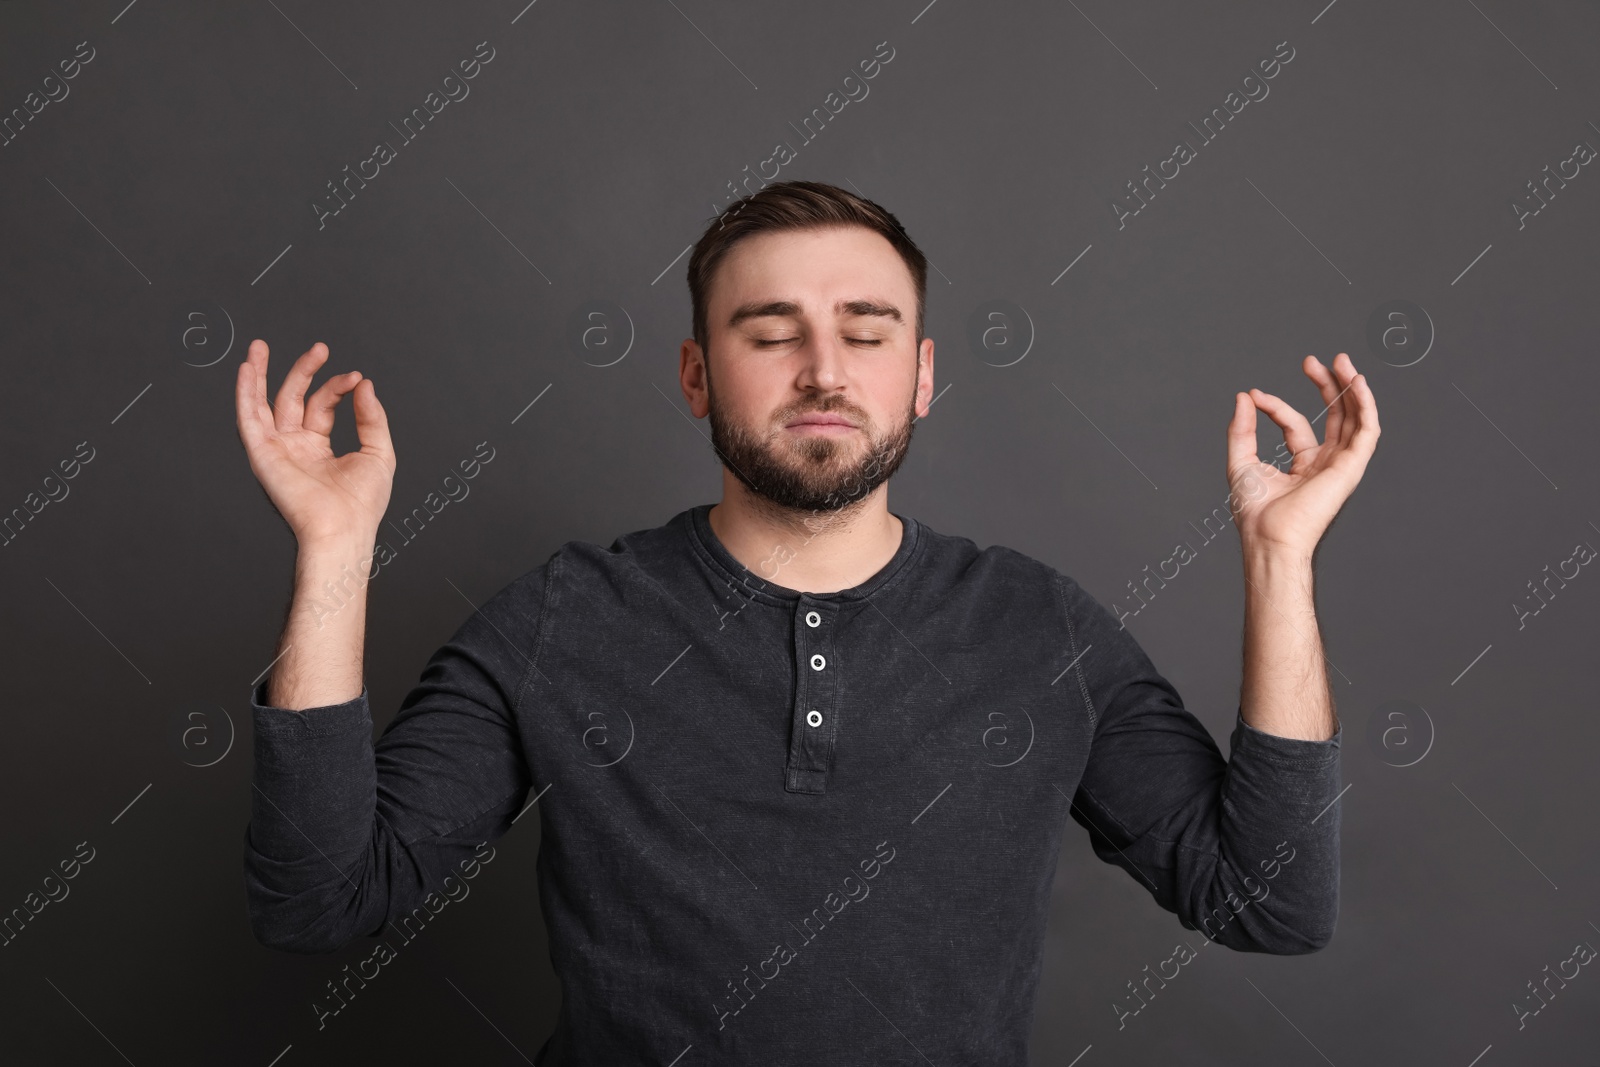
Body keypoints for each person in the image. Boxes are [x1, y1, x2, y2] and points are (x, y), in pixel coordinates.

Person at [235, 180, 1379, 1064]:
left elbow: (1269, 900)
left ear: (921, 375)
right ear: (696, 373)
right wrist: (334, 555)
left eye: (867, 331)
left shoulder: (1040, 629)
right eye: (770, 331)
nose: (823, 368)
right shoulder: (563, 616)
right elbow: (322, 898)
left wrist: (1282, 557)